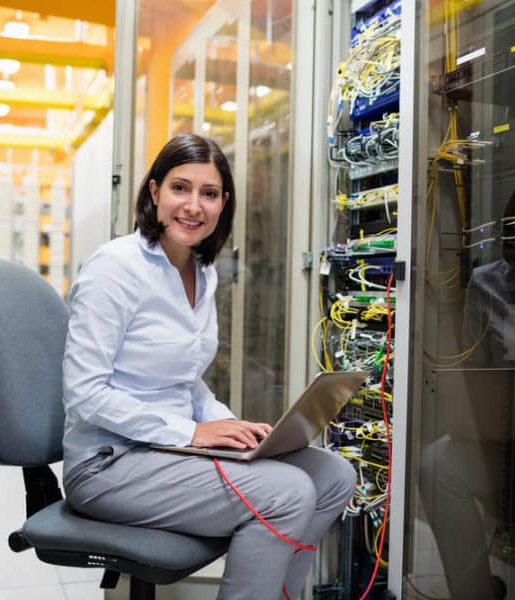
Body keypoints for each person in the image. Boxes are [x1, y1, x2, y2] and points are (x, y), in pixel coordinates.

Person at [62, 133, 356, 600]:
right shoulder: (113, 269)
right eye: (180, 188)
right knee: (286, 493)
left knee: (333, 476)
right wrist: (190, 433)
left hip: (167, 452)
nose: (193, 205)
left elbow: (187, 381)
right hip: (109, 465)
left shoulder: (203, 271)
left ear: (223, 205)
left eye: (210, 193)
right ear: (154, 193)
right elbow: (85, 392)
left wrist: (225, 423)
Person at [419, 169, 515, 600]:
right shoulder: (488, 283)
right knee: (436, 465)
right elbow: (472, 372)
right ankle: (473, 591)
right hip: (502, 438)